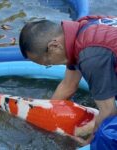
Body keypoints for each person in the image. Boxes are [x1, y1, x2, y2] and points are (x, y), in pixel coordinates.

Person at [19, 15, 117, 143]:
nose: (51, 65)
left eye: (47, 63)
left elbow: (108, 113)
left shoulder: (90, 57)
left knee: (105, 137)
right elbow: (68, 85)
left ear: (54, 46)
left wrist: (87, 144)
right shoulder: (82, 29)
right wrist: (46, 116)